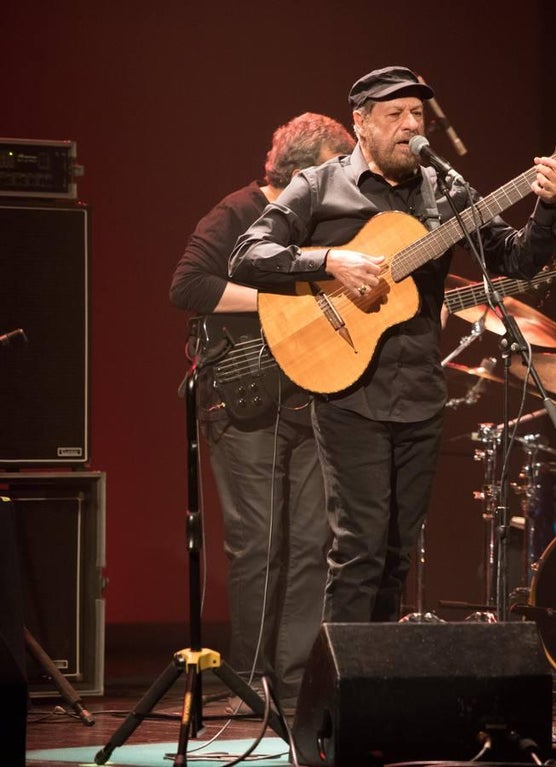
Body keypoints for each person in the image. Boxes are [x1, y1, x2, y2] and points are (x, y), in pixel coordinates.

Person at [228, 66, 556, 625]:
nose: (411, 126)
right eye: (395, 115)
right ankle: (335, 704)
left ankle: (379, 690)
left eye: (418, 115)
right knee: (357, 553)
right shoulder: (319, 186)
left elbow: (515, 259)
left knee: (395, 558)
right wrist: (330, 260)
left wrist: (549, 207)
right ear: (361, 124)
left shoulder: (447, 188)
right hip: (349, 395)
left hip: (419, 393)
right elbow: (248, 254)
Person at [169, 112, 355, 711]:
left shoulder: (321, 226)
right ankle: (247, 688)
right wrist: (286, 300)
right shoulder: (238, 212)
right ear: (303, 172)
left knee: (312, 544)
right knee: (259, 546)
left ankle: (296, 684)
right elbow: (189, 287)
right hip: (242, 403)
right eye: (335, 170)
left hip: (308, 402)